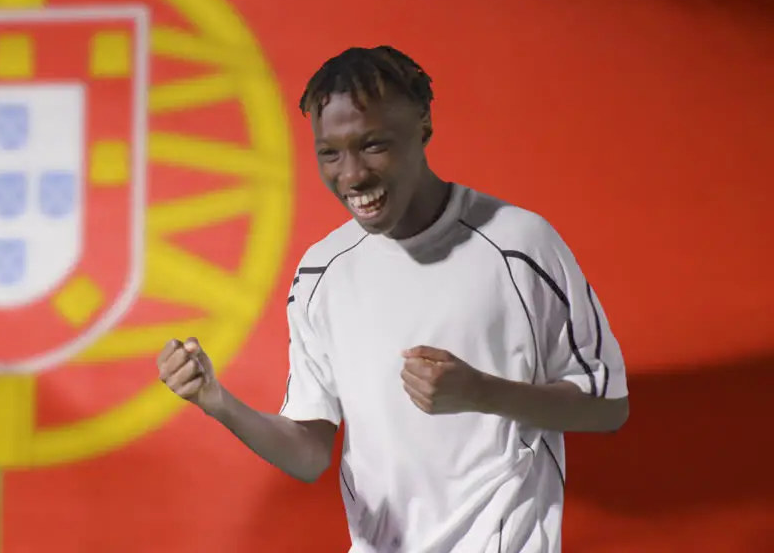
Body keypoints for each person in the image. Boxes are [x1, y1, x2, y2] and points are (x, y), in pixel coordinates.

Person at [156, 46, 630, 552]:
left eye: (373, 145)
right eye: (330, 153)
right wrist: (217, 401)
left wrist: (480, 392)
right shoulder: (322, 272)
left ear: (423, 127)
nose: (352, 175)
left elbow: (607, 405)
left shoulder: (519, 244)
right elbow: (310, 453)